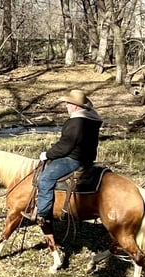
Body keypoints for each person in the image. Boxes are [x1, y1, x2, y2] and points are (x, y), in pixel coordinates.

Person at [35, 89, 103, 225]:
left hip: (73, 159)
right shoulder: (90, 119)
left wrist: (47, 154)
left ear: (76, 106)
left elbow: (65, 146)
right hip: (86, 158)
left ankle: (42, 213)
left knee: (45, 178)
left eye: (68, 103)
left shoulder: (77, 122)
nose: (66, 106)